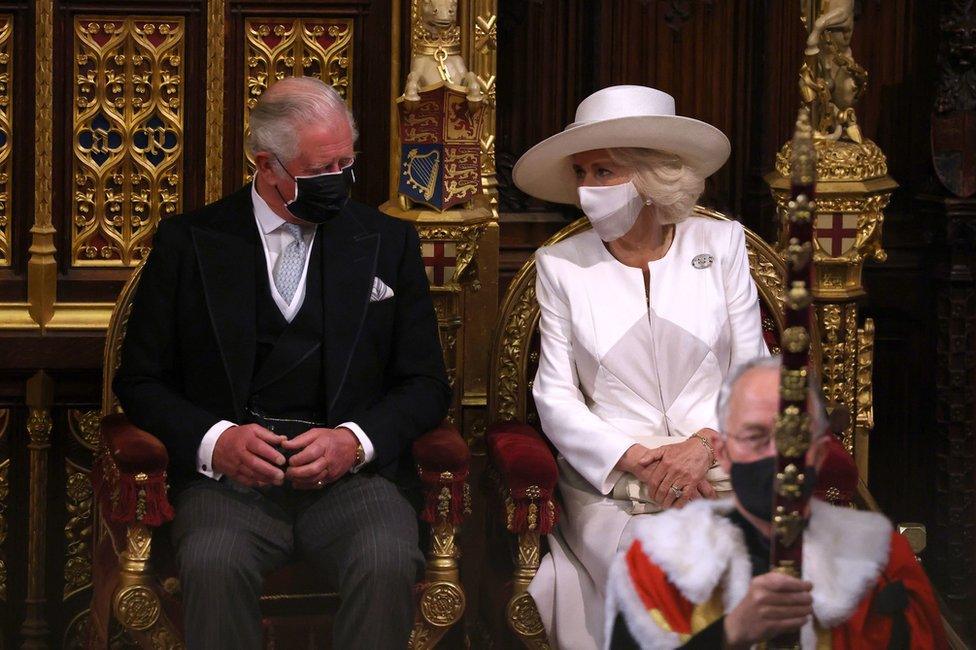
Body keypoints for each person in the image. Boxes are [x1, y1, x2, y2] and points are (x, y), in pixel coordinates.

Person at [113, 76, 451, 649]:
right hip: (229, 489)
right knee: (214, 563)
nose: (340, 182)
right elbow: (140, 380)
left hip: (351, 480)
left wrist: (355, 441)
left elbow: (426, 383)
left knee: (387, 557)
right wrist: (215, 440)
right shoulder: (189, 242)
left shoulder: (387, 243)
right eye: (322, 171)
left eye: (347, 163)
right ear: (267, 165)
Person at [511, 84, 768, 648]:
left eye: (604, 171)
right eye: (581, 172)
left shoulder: (720, 244)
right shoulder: (561, 265)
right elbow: (553, 395)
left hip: (722, 473)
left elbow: (755, 371)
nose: (586, 189)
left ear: (653, 178)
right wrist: (642, 462)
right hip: (612, 488)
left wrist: (704, 445)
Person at [606, 356, 947, 649]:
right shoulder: (652, 570)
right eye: (755, 438)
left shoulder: (885, 563)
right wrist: (730, 633)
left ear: (820, 453)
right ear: (723, 453)